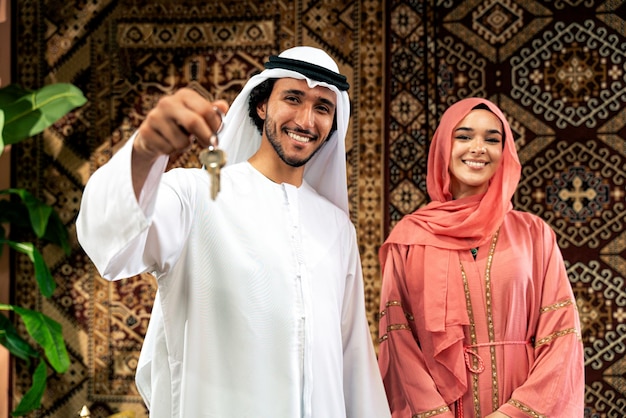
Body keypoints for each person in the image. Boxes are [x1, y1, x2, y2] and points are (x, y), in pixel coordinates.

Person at [76, 46, 390, 418]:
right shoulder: (195, 194)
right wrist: (144, 150)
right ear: (261, 105)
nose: (306, 120)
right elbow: (110, 246)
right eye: (293, 98)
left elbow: (352, 358)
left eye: (322, 107)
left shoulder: (337, 228)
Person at [377, 97, 584, 417]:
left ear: (506, 153)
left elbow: (562, 335)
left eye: (492, 139)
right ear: (444, 147)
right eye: (464, 136)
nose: (478, 148)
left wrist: (514, 413)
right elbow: (398, 339)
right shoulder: (409, 239)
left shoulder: (534, 234)